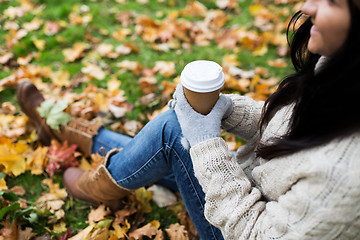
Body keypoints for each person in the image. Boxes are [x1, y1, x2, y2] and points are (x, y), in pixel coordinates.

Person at [16, 0, 360, 238]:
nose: (307, 7)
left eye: (333, 1)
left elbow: (257, 234)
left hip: (238, 229)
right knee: (181, 130)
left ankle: (96, 186)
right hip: (249, 186)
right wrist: (225, 109)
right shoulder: (342, 70)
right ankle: (62, 130)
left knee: (175, 131)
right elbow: (295, 132)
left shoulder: (348, 179)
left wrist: (204, 141)